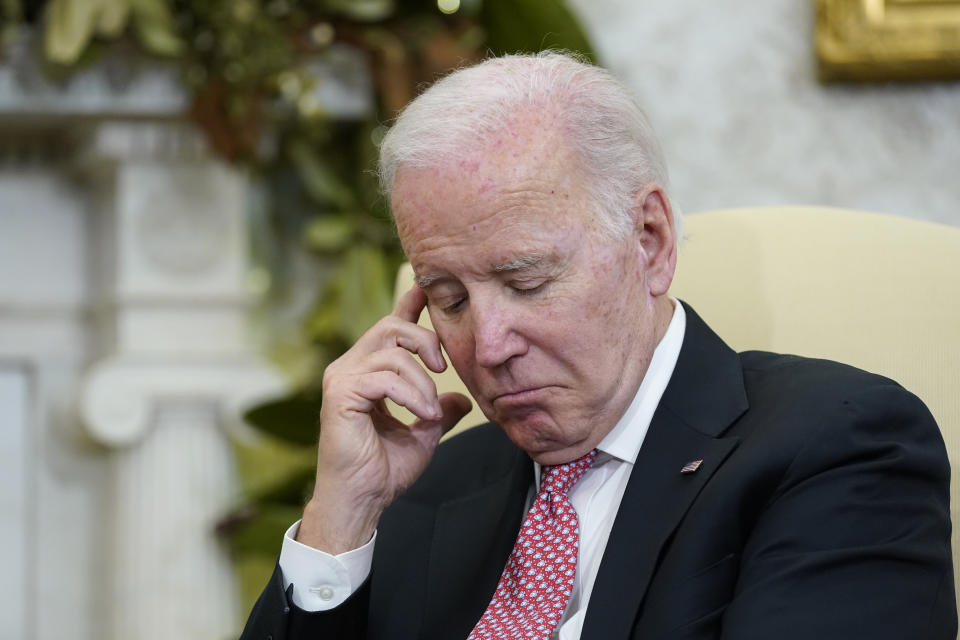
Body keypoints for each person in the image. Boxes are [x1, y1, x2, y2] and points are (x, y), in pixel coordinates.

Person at [240, 52, 956, 640]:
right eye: (448, 299)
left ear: (649, 240)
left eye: (526, 281)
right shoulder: (420, 489)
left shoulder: (833, 445)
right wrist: (341, 515)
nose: (487, 346)